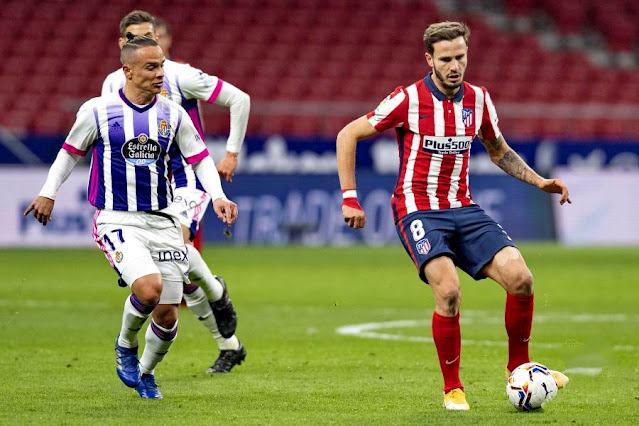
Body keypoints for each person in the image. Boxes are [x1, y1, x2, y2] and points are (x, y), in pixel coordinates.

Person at [336, 21, 571, 410]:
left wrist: (539, 181)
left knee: (521, 278)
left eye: (460, 57)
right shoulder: (407, 99)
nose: (454, 66)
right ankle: (453, 388)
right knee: (448, 292)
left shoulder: (479, 100)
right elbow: (348, 134)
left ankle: (519, 368)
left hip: (463, 206)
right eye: (445, 59)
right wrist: (350, 197)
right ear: (429, 59)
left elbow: (498, 151)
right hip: (417, 207)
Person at [24, 36, 238, 399]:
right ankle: (125, 345)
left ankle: (146, 372)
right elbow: (69, 154)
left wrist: (218, 196)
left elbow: (200, 159)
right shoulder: (97, 110)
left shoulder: (173, 114)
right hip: (118, 219)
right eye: (151, 67)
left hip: (164, 220)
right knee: (149, 289)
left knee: (168, 315)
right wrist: (48, 191)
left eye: (162, 66)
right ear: (128, 70)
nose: (160, 74)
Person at [102, 11, 250, 374]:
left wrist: (230, 154)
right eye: (137, 38)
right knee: (175, 273)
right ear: (123, 45)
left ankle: (216, 297)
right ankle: (227, 339)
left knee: (175, 250)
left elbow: (239, 99)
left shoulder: (181, 76)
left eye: (151, 36)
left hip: (185, 181)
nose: (147, 43)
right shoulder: (111, 87)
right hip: (147, 193)